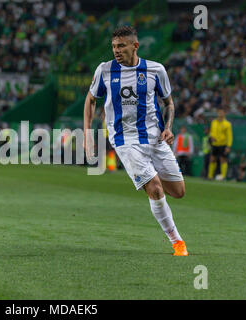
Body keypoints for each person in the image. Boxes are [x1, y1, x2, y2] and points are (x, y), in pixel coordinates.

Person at [83, 26, 188, 256]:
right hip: (124, 140)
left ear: (135, 46)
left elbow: (168, 103)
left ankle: (150, 176)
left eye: (121, 46)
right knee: (155, 188)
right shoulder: (105, 70)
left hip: (155, 138)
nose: (116, 51)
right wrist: (87, 134)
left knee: (179, 191)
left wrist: (168, 128)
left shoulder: (155, 70)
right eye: (113, 46)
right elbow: (91, 99)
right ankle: (177, 242)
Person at [207, 108, 232, 181]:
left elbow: (229, 136)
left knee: (223, 160)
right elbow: (211, 131)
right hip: (215, 144)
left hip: (222, 144)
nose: (220, 114)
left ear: (224, 113)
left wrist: (228, 146)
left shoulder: (227, 124)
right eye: (219, 112)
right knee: (212, 159)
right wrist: (211, 137)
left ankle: (223, 176)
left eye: (222, 112)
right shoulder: (214, 122)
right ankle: (210, 176)